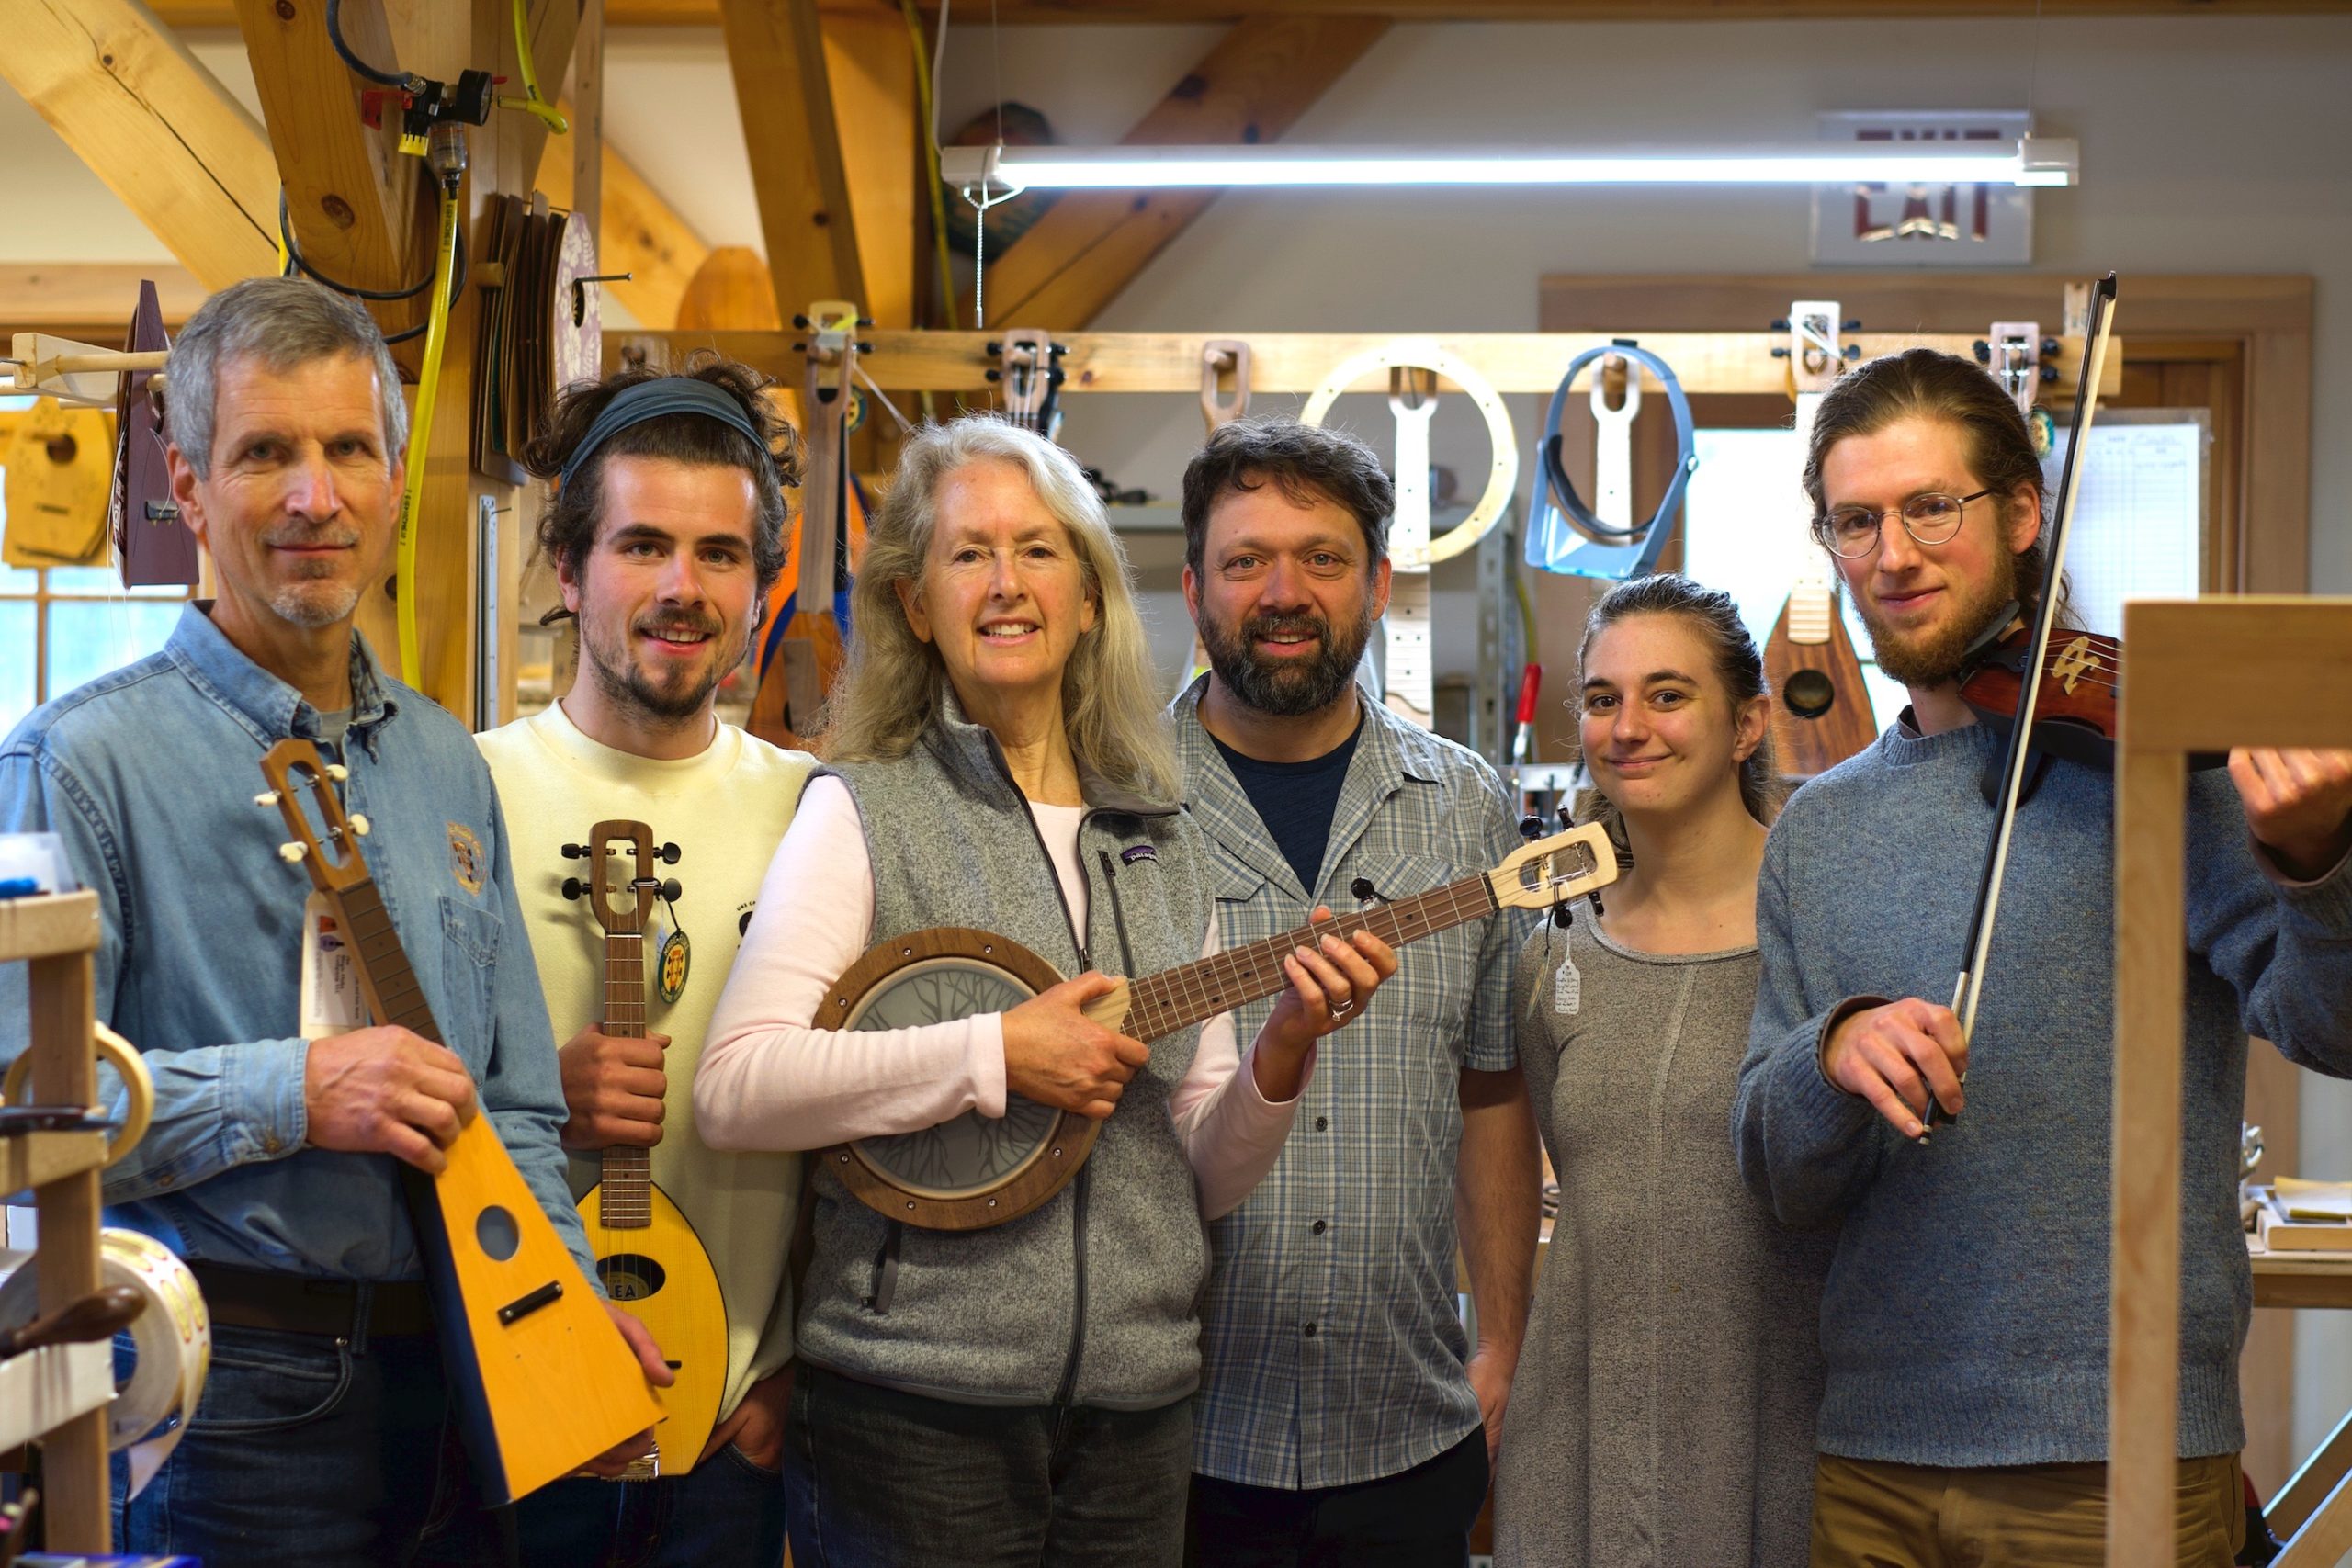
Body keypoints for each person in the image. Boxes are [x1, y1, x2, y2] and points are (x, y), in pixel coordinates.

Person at [0, 276, 664, 1567]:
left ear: (396, 480)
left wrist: (571, 1302)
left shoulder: (444, 761)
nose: (316, 496)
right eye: (266, 454)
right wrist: (293, 1091)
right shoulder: (74, 764)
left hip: (466, 1375)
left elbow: (517, 1105)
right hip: (218, 1394)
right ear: (188, 488)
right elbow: (25, 1119)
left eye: (349, 448)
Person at [692, 415, 1397, 1568]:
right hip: (914, 1414)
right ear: (918, 605)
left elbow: (1202, 1170)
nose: (1006, 583)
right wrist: (993, 1056)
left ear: (1089, 597)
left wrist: (1284, 1048)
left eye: (1036, 549)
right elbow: (736, 1087)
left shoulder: (1161, 831)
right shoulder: (861, 807)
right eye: (967, 554)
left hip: (1134, 1419)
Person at [1730, 347, 2352, 1567]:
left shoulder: (2162, 773)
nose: (1892, 554)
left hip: (2120, 1455)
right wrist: (1831, 1050)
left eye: (1930, 507)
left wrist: (2316, 859)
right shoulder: (1818, 828)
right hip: (1871, 1458)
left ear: (2022, 514)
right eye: (1857, 520)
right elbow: (1775, 1171)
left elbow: (2333, 1028)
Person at [1170, 417, 1536, 1568]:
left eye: (1321, 559)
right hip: (1163, 1436)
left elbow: (1491, 1090)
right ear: (1192, 590)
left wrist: (1502, 1342)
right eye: (1245, 561)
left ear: (1377, 584)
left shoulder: (1465, 807)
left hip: (1405, 1432)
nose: (1284, 593)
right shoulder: (1112, 800)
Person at [478, 356, 814, 1564]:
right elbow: (374, 1077)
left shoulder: (821, 811)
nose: (683, 588)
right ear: (569, 568)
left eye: (719, 553)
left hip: (733, 1434)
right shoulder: (463, 790)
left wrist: (791, 1380)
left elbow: (868, 1115)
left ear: (761, 583)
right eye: (643, 545)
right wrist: (528, 1094)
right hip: (511, 1408)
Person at [1489, 572, 1830, 1568]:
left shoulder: (1823, 930)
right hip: (1578, 1433)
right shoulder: (1553, 953)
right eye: (1603, 699)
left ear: (1746, 724)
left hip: (1777, 1430)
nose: (1628, 727)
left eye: (1668, 694)